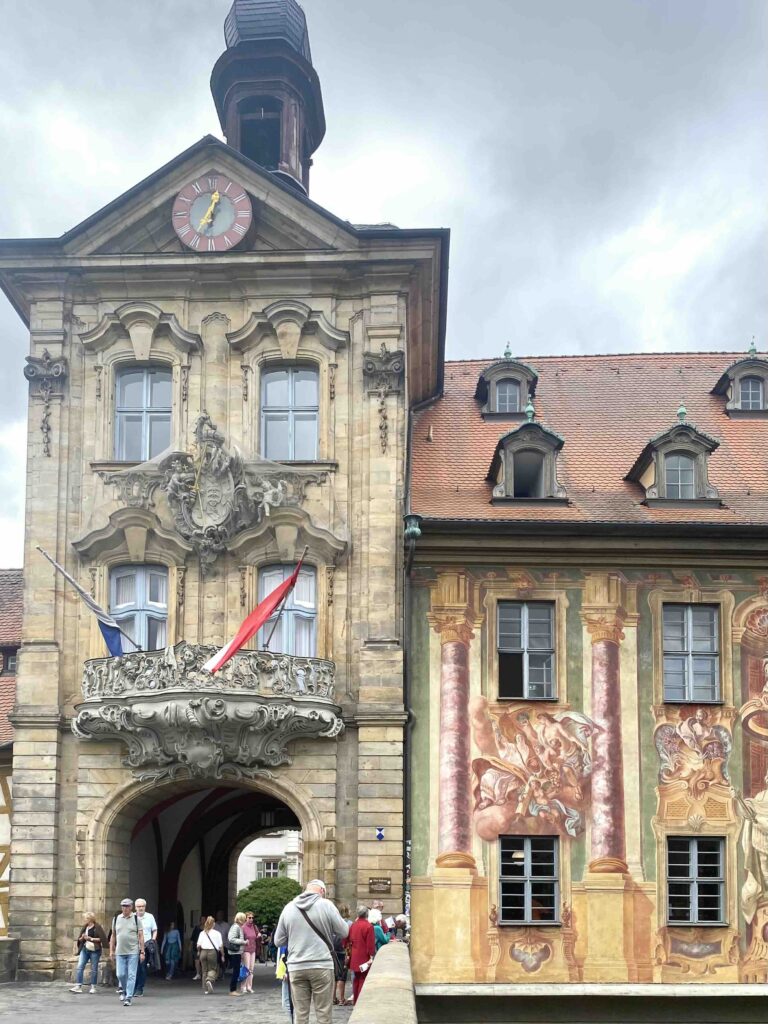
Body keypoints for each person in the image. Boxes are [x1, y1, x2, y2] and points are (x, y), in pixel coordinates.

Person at [273, 878, 349, 1024]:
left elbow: (278, 941)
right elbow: (344, 931)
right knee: (323, 1014)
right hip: (321, 965)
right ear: (322, 891)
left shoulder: (289, 907)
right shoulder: (326, 905)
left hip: (296, 966)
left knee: (300, 1015)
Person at [109, 898, 145, 1007]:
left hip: (133, 951)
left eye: (127, 906)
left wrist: (142, 951)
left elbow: (141, 936)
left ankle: (128, 997)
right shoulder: (116, 919)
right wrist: (111, 950)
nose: (125, 908)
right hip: (120, 951)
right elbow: (113, 935)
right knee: (120, 974)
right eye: (123, 906)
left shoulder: (136, 919)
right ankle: (124, 990)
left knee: (131, 975)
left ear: (131, 907)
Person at [70, 912, 108, 993]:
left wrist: (91, 939)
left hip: (95, 950)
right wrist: (81, 938)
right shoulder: (85, 927)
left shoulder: (97, 927)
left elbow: (102, 939)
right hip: (85, 948)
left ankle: (93, 986)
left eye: (85, 918)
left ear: (90, 919)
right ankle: (78, 986)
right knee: (80, 966)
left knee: (94, 968)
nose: (84, 920)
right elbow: (82, 937)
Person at [347, 905, 375, 1005]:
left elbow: (346, 940)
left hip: (354, 956)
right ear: (367, 914)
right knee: (363, 979)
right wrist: (371, 957)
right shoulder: (368, 926)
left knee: (356, 979)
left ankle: (355, 1000)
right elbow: (370, 944)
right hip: (364, 957)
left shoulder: (353, 925)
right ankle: (360, 1002)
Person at [133, 898, 157, 996]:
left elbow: (154, 930)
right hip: (134, 945)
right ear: (135, 907)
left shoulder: (150, 917)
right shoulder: (132, 917)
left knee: (142, 967)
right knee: (134, 968)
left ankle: (139, 988)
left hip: (146, 945)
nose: (141, 908)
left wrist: (153, 940)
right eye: (139, 906)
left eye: (142, 906)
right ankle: (132, 987)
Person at [196, 916, 223, 994]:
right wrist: (223, 955)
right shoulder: (217, 933)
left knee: (204, 970)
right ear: (213, 924)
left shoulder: (202, 933)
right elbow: (220, 946)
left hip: (203, 952)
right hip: (212, 952)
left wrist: (198, 951)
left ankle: (206, 989)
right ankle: (209, 980)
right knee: (213, 969)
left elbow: (198, 945)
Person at [227, 912, 248, 995]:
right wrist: (243, 942)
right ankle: (232, 990)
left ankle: (233, 989)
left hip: (237, 952)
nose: (245, 920)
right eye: (244, 918)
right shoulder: (236, 927)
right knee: (236, 971)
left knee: (236, 971)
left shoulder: (237, 927)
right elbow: (231, 939)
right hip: (235, 952)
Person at [241, 913, 260, 993]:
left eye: (252, 918)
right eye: (249, 918)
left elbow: (256, 935)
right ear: (246, 918)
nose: (251, 919)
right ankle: (243, 986)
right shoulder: (243, 927)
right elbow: (241, 939)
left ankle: (249, 986)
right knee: (246, 968)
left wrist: (258, 935)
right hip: (246, 949)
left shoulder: (254, 927)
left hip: (253, 949)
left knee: (251, 968)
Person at [191, 915, 206, 980]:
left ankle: (204, 974)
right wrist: (190, 946)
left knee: (204, 961)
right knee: (197, 960)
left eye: (204, 919)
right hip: (196, 946)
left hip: (205, 947)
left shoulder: (207, 928)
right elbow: (193, 938)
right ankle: (198, 974)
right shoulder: (197, 928)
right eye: (201, 919)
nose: (203, 920)